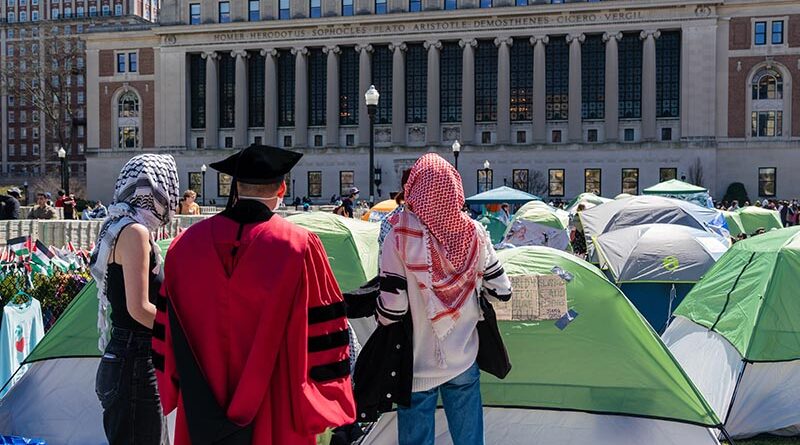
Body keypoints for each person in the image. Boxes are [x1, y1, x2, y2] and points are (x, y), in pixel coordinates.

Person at [152, 145, 355, 445]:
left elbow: (165, 336)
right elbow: (324, 333)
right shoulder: (299, 247)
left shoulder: (183, 248)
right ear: (282, 188)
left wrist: (173, 388)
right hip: (277, 406)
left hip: (200, 410)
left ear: (235, 187)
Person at [376, 153, 511, 445]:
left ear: (414, 189)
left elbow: (393, 309)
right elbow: (503, 289)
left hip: (416, 363)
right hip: (463, 356)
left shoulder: (398, 234)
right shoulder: (474, 231)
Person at [90, 153, 180, 445]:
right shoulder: (135, 232)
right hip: (134, 360)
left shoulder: (119, 224)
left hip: (125, 358)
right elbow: (138, 308)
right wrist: (183, 328)